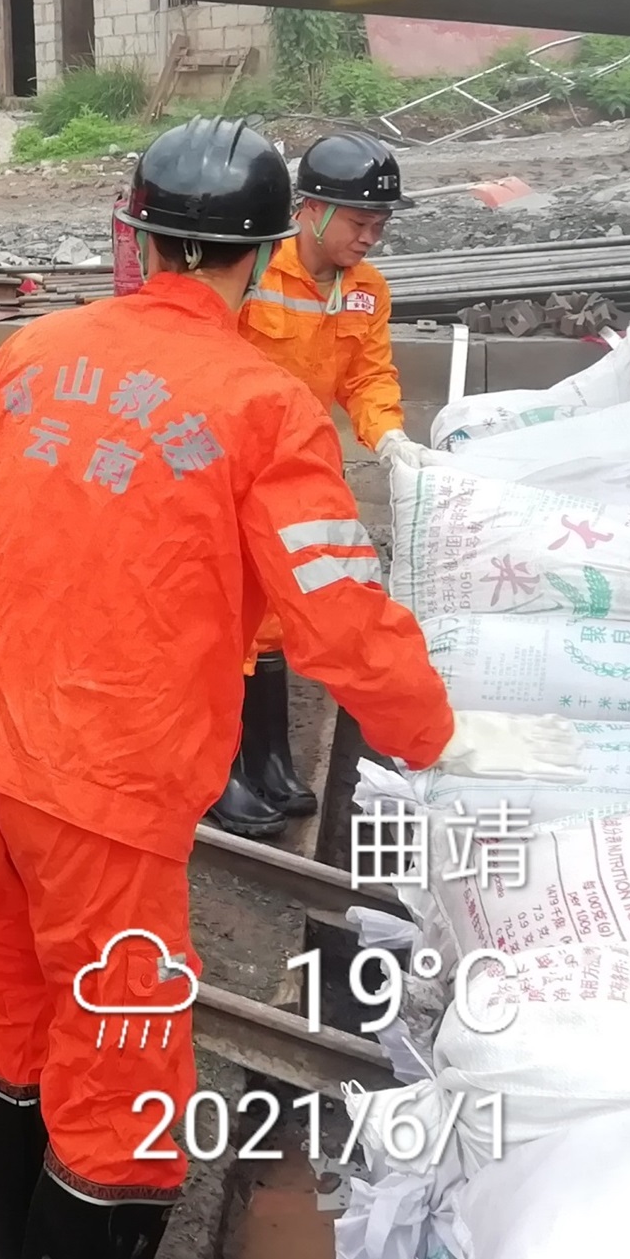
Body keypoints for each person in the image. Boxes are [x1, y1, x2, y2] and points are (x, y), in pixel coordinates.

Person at [0, 118, 530, 1259]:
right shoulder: (260, 404)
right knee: (125, 1061)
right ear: (259, 253)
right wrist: (434, 736)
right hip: (96, 783)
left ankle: (7, 1236)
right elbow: (339, 606)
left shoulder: (28, 355)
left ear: (137, 236)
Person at [213, 131, 418, 838]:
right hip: (232, 470)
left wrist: (387, 433)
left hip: (298, 472)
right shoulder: (256, 278)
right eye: (360, 223)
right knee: (224, 615)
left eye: (380, 226)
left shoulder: (366, 293)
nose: (370, 238)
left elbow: (366, 376)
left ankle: (268, 758)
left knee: (274, 613)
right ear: (312, 210)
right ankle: (222, 769)